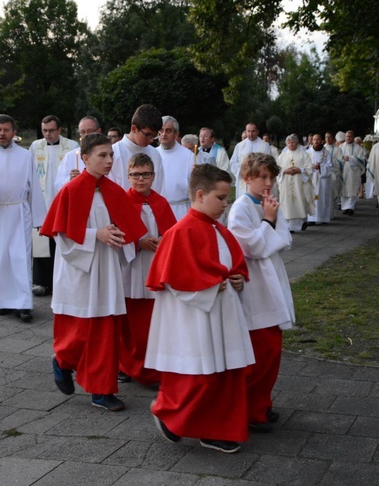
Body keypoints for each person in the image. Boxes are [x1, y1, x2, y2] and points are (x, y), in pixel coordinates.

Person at [145, 164, 255, 454]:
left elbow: (233, 263)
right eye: (220, 198)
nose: (225, 204)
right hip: (193, 318)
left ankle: (216, 429)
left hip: (222, 313)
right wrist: (207, 287)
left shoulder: (218, 229)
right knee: (201, 375)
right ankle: (171, 415)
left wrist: (237, 279)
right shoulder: (180, 232)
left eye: (227, 198)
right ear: (200, 194)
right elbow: (173, 280)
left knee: (226, 373)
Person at [40, 134, 146, 412]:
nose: (109, 160)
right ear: (85, 158)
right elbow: (61, 235)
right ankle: (62, 361)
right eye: (102, 155)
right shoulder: (70, 191)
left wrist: (121, 238)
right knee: (79, 330)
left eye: (111, 155)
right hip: (79, 269)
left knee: (105, 329)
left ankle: (102, 390)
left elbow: (127, 229)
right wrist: (94, 235)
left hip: (107, 266)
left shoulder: (113, 191)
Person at [228, 153, 295, 433]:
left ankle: (262, 403)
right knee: (261, 351)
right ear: (247, 179)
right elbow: (250, 247)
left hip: (272, 279)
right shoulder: (241, 208)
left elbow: (285, 240)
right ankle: (250, 410)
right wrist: (267, 221)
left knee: (272, 351)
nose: (268, 182)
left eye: (271, 177)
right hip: (255, 285)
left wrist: (271, 219)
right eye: (262, 177)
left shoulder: (267, 204)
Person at [0, 114, 47, 322]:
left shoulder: (25, 156)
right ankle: (3, 302)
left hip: (19, 212)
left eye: (6, 130)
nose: (2, 133)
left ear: (14, 133)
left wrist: (39, 218)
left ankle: (23, 304)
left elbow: (35, 189)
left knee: (20, 257)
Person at [119, 153, 176, 386]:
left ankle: (151, 367)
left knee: (151, 322)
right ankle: (126, 365)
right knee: (130, 322)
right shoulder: (121, 202)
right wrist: (138, 243)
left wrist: (163, 241)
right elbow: (117, 233)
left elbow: (173, 234)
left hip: (154, 266)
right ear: (128, 176)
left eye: (145, 174)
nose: (140, 179)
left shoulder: (161, 202)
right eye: (135, 175)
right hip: (130, 267)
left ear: (153, 176)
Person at [30, 115, 79, 297]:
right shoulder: (36, 147)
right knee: (41, 243)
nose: (48, 134)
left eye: (51, 130)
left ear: (59, 130)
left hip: (61, 200)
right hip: (41, 200)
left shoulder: (72, 147)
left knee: (61, 242)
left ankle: (62, 282)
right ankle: (42, 282)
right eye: (45, 130)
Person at [110, 105, 164, 191]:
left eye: (154, 136)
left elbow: (159, 188)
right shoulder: (113, 152)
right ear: (134, 128)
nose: (151, 140)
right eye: (147, 134)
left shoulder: (155, 154)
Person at [157, 116, 195, 220]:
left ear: (176, 134)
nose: (164, 134)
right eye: (161, 130)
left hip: (180, 210)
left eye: (168, 131)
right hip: (157, 209)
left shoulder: (188, 156)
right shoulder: (152, 153)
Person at [276, 134, 314, 232]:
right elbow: (277, 169)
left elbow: (309, 168)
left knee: (299, 201)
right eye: (289, 142)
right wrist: (284, 171)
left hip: (299, 183)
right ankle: (289, 227)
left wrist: (300, 170)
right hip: (286, 184)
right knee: (287, 204)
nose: (291, 144)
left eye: (293, 142)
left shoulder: (303, 154)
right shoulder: (282, 156)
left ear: (297, 143)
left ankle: (301, 224)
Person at [54, 116, 102, 191]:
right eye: (83, 132)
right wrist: (70, 179)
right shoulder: (70, 156)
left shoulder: (108, 153)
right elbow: (58, 184)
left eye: (90, 131)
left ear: (98, 131)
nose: (86, 135)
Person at [230, 123, 272, 198]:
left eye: (253, 131)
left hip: (258, 179)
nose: (250, 134)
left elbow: (269, 163)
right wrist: (242, 170)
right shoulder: (239, 146)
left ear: (257, 132)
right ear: (245, 131)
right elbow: (233, 162)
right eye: (248, 131)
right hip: (244, 179)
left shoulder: (265, 146)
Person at [307, 133, 337, 224]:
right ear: (312, 141)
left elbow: (330, 166)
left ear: (321, 141)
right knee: (311, 198)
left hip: (323, 179)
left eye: (318, 139)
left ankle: (323, 218)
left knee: (323, 198)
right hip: (312, 178)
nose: (316, 141)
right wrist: (311, 166)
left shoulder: (326, 153)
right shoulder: (308, 153)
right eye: (314, 140)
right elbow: (304, 165)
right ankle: (311, 218)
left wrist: (320, 166)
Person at [340, 130, 366, 215]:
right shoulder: (341, 147)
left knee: (352, 189)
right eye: (347, 136)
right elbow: (337, 158)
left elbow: (362, 160)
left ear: (353, 137)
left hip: (353, 172)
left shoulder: (358, 148)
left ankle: (351, 207)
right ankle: (345, 207)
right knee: (344, 190)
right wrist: (343, 159)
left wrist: (351, 158)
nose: (348, 138)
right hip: (343, 171)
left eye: (350, 136)